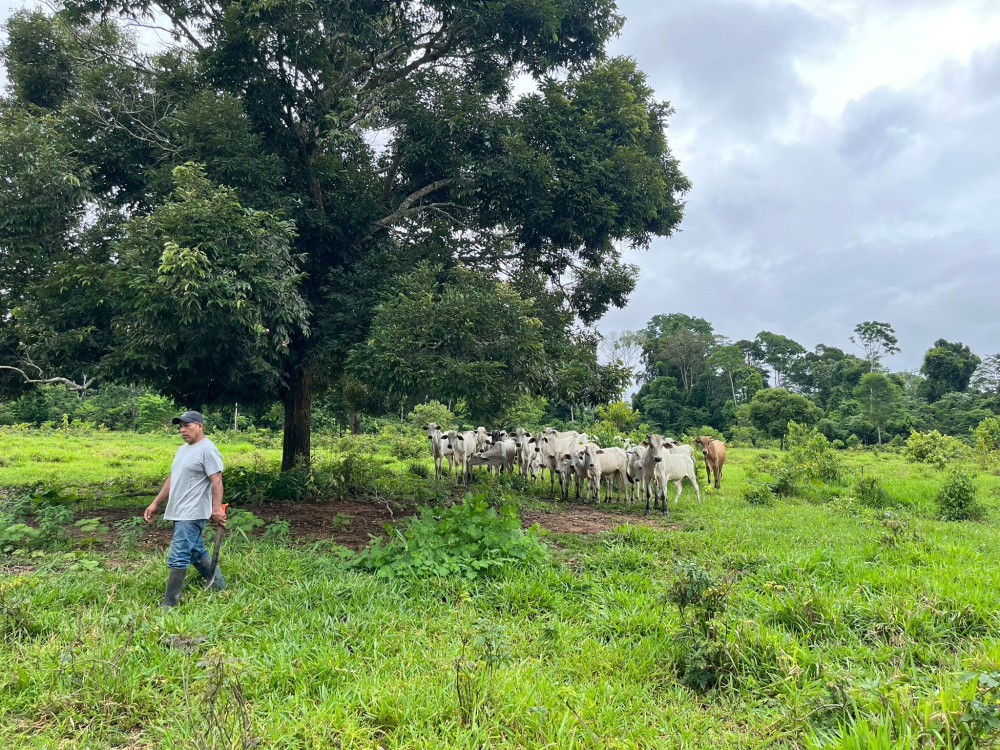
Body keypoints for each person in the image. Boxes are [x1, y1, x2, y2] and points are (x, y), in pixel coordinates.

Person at [144, 411, 227, 608]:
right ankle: (219, 585)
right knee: (195, 552)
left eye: (187, 425)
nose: (182, 430)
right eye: (180, 426)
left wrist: (216, 509)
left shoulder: (207, 449)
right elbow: (173, 479)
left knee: (178, 554)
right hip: (178, 510)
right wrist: (156, 503)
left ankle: (169, 605)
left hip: (193, 512)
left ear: (200, 426)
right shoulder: (183, 449)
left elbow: (216, 481)